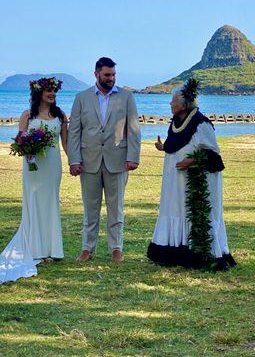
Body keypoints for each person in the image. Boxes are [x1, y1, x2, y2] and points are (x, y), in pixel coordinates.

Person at [147, 79, 236, 270]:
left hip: (196, 180)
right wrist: (164, 147)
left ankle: (202, 251)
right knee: (175, 209)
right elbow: (177, 143)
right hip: (175, 180)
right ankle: (173, 249)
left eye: (173, 101)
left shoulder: (201, 123)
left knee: (192, 212)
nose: (170, 104)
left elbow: (213, 154)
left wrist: (192, 161)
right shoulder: (176, 122)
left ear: (184, 103)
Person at [68, 57, 141, 263]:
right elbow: (74, 131)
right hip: (88, 161)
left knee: (115, 207)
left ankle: (116, 248)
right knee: (90, 208)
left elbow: (133, 129)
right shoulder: (81, 98)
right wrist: (74, 159)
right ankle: (87, 248)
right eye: (107, 75)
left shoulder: (126, 97)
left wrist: (133, 157)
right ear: (96, 74)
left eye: (113, 75)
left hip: (117, 160)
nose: (111, 78)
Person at [0, 77, 68, 284]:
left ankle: (52, 249)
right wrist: (27, 147)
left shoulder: (60, 115)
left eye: (54, 91)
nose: (52, 94)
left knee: (51, 203)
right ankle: (35, 248)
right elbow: (20, 140)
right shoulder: (27, 116)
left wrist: (75, 162)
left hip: (53, 165)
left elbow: (65, 142)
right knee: (34, 202)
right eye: (49, 90)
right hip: (33, 167)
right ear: (39, 93)